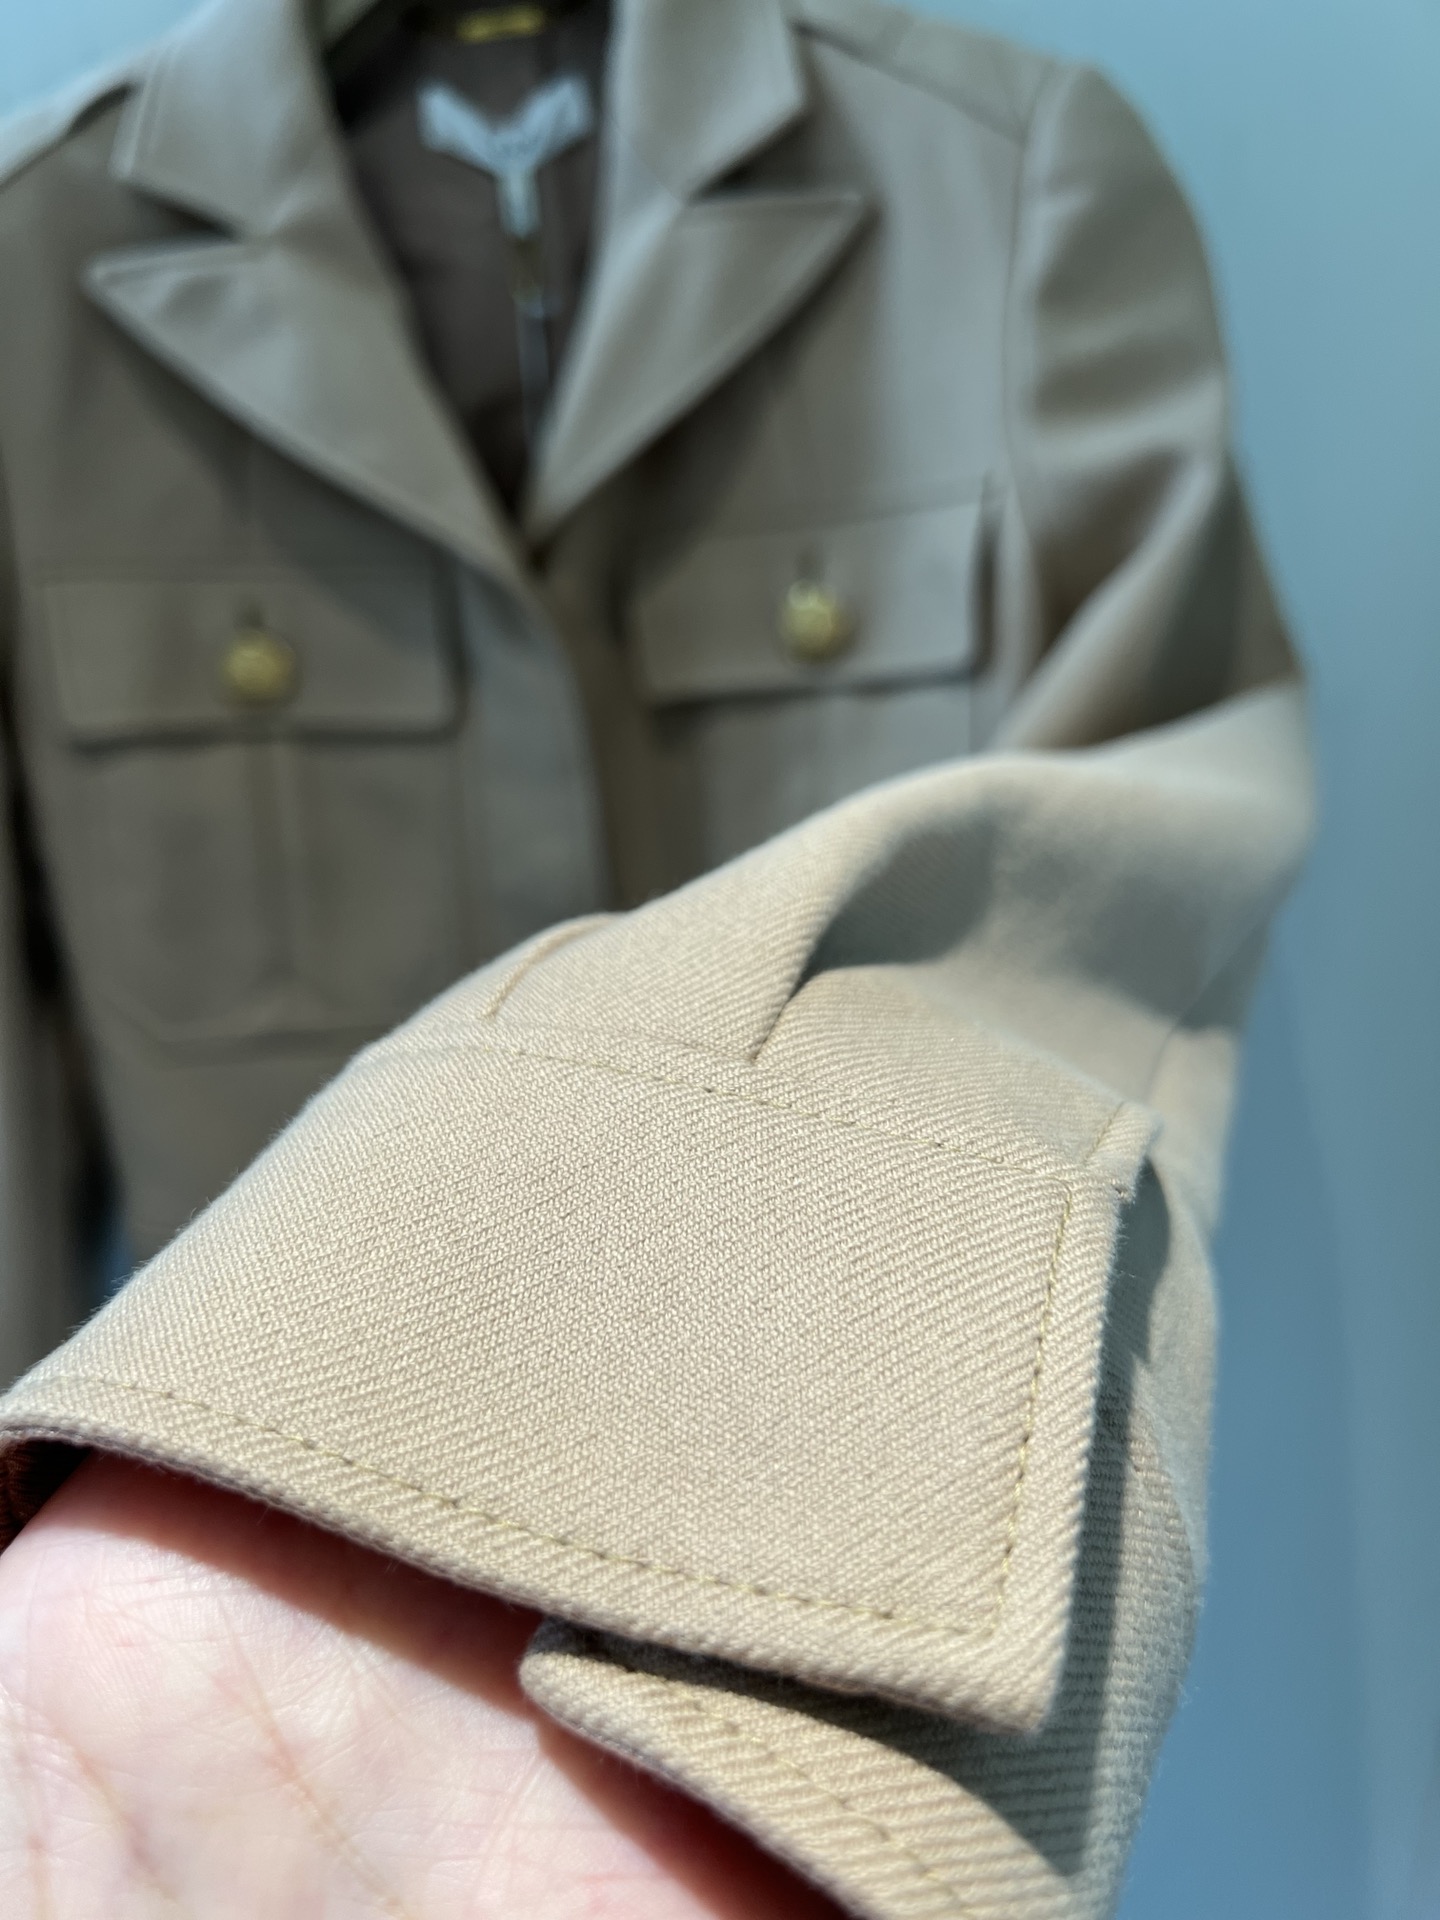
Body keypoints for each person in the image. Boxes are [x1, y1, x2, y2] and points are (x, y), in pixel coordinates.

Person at [0, 0, 1311, 1912]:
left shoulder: (1014, 185)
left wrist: (966, 1701)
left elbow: (1143, 885)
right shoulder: (28, 264)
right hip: (239, 1593)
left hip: (831, 1612)